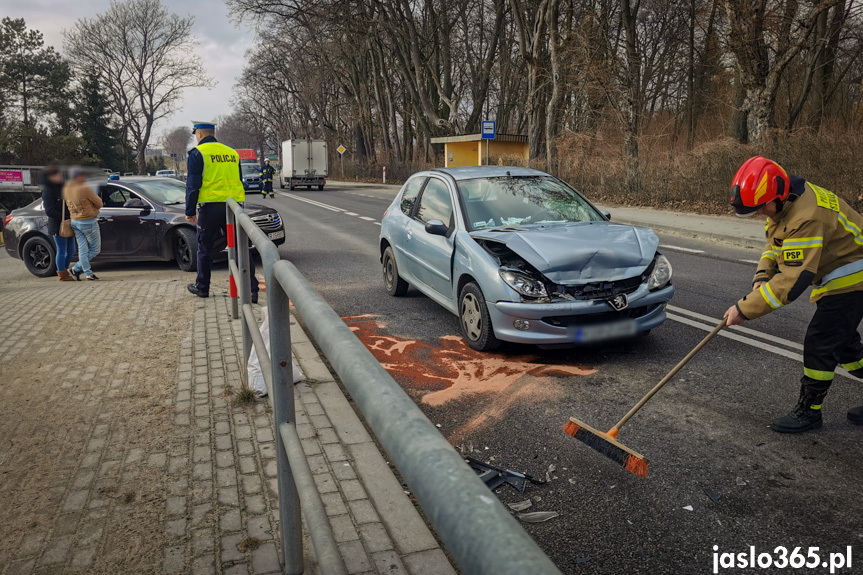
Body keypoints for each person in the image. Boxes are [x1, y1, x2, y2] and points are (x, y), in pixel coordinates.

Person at [724, 156, 863, 433]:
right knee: (844, 345)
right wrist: (762, 277)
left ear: (778, 196)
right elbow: (774, 244)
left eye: (761, 208)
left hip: (852, 277)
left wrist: (744, 309)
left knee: (821, 342)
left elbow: (792, 281)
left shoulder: (806, 217)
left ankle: (809, 412)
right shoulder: (785, 202)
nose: (759, 214)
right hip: (838, 271)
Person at [185, 120, 260, 303]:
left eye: (196, 134)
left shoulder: (197, 153)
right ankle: (252, 290)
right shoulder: (232, 153)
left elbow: (193, 185)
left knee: (204, 248)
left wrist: (190, 211)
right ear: (213, 133)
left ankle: (202, 287)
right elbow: (239, 180)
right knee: (242, 248)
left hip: (209, 208)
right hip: (233, 207)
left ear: (200, 134)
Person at [63, 167, 103, 281]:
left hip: (75, 221)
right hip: (88, 221)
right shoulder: (85, 188)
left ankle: (88, 273)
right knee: (95, 249)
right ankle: (76, 268)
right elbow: (99, 203)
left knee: (83, 250)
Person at [41, 166, 76, 281]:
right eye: (58, 175)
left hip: (69, 223)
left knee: (71, 250)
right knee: (61, 250)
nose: (60, 177)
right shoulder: (48, 190)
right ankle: (62, 274)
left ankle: (64, 270)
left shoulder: (63, 188)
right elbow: (49, 210)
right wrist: (64, 217)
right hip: (58, 225)